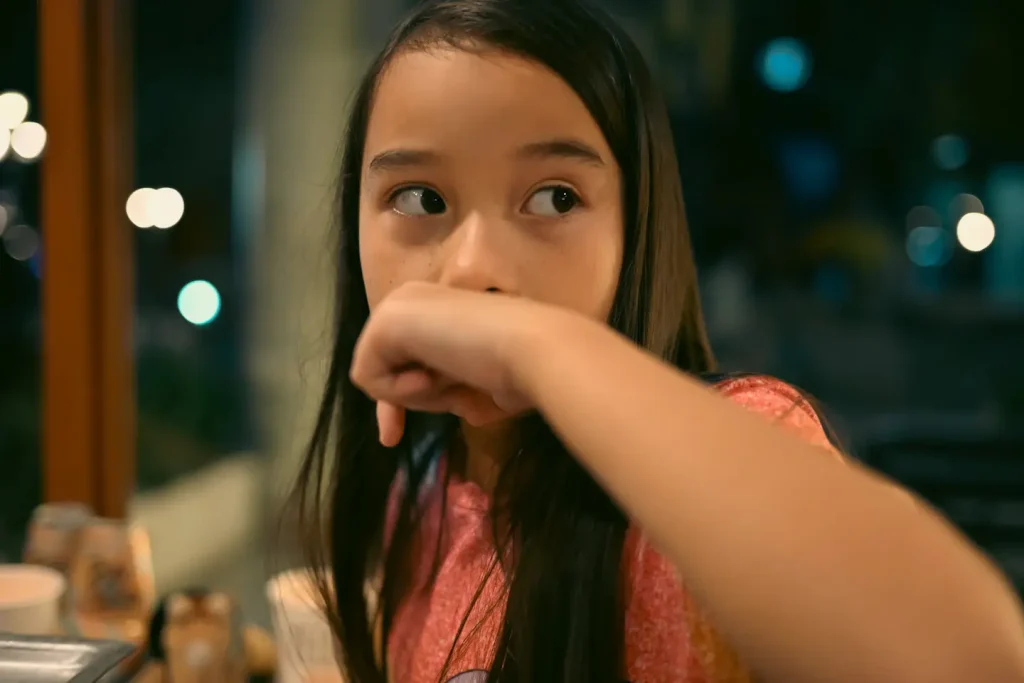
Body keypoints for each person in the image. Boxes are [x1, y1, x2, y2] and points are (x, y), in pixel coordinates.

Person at [291, 1, 1024, 681]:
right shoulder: (419, 503)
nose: (474, 267)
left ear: (634, 229)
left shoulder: (718, 463)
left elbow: (969, 658)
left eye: (554, 197)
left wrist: (536, 348)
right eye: (421, 199)